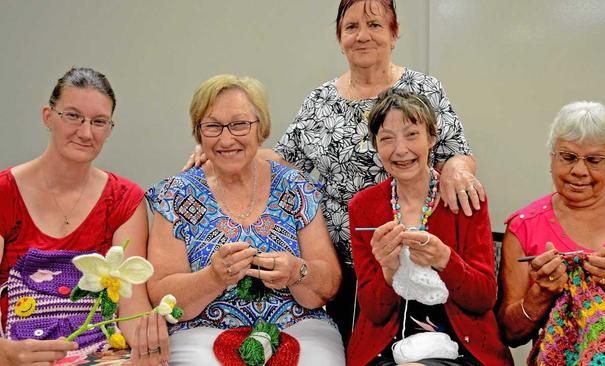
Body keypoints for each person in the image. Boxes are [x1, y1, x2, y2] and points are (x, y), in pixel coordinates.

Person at [185, 0, 484, 344]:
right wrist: (220, 148)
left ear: (394, 32)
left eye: (374, 25)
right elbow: (283, 159)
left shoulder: (424, 88)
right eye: (351, 27)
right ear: (340, 37)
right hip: (345, 264)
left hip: (416, 256)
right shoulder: (320, 100)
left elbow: (456, 152)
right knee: (355, 351)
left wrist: (458, 170)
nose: (362, 36)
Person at [146, 74, 344, 365]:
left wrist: (296, 272)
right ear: (198, 133)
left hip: (299, 325)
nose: (227, 139)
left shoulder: (295, 186)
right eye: (213, 126)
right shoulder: (177, 195)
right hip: (201, 332)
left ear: (260, 129)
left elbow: (327, 285)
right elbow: (163, 295)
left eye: (239, 124)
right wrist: (212, 278)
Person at [0, 67, 169, 365]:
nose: (86, 132)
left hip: (100, 355)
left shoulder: (125, 200)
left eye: (99, 121)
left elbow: (131, 305)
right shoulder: (5, 192)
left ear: (109, 129)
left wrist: (145, 346)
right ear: (48, 116)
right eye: (73, 116)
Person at [347, 88, 513, 366]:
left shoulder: (464, 197)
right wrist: (388, 270)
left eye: (412, 135)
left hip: (462, 344)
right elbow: (374, 313)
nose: (401, 150)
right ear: (376, 145)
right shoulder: (363, 207)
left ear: (432, 137)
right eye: (387, 139)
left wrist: (444, 259)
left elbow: (483, 298)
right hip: (386, 346)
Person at [497, 101, 605, 347]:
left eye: (594, 160)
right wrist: (541, 295)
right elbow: (510, 334)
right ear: (552, 158)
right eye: (568, 157)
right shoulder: (523, 227)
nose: (579, 170)